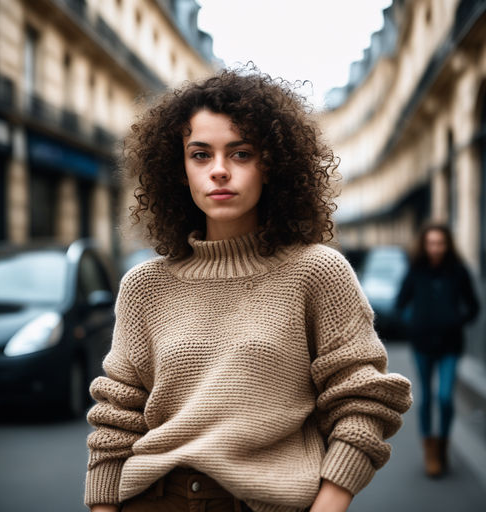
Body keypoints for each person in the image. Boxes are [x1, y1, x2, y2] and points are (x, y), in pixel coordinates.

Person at [84, 68, 413, 512]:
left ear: (270, 164)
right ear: (179, 170)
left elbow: (365, 401)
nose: (219, 171)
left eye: (240, 154)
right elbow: (117, 417)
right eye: (200, 155)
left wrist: (329, 504)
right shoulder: (145, 285)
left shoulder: (316, 272)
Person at [395, 222, 480, 478]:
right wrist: (414, 323)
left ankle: (443, 444)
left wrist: (457, 320)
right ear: (424, 244)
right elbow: (401, 303)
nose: (435, 248)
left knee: (445, 397)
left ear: (447, 244)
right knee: (426, 398)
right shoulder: (415, 271)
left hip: (450, 345)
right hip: (422, 344)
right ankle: (429, 450)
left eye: (440, 243)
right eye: (431, 243)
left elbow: (473, 306)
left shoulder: (459, 271)